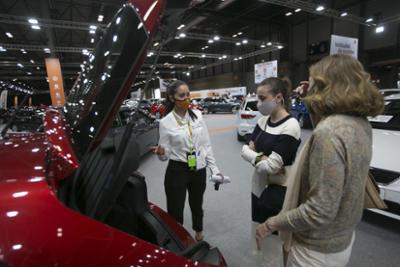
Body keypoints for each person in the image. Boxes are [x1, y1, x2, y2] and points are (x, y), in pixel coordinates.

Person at [255, 54, 384, 267]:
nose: (310, 87)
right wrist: (315, 103)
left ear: (327, 86)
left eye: (315, 83)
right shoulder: (361, 124)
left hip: (314, 249)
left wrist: (272, 223)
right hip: (341, 237)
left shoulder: (330, 132)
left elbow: (319, 211)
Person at [151, 80, 223, 242]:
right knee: (176, 209)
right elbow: (165, 155)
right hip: (177, 171)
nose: (186, 98)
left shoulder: (197, 115)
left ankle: (198, 231)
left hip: (198, 168)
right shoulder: (165, 122)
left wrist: (215, 169)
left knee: (197, 204)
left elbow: (206, 145)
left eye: (188, 94)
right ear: (171, 98)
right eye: (182, 96)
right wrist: (161, 153)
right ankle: (180, 239)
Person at [241, 77, 301, 266]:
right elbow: (246, 148)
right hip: (259, 186)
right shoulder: (263, 121)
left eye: (262, 98)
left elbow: (271, 166)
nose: (259, 103)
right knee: (261, 232)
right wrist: (258, 157)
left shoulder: (290, 126)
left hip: (279, 189)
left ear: (278, 97)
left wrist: (253, 155)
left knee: (276, 239)